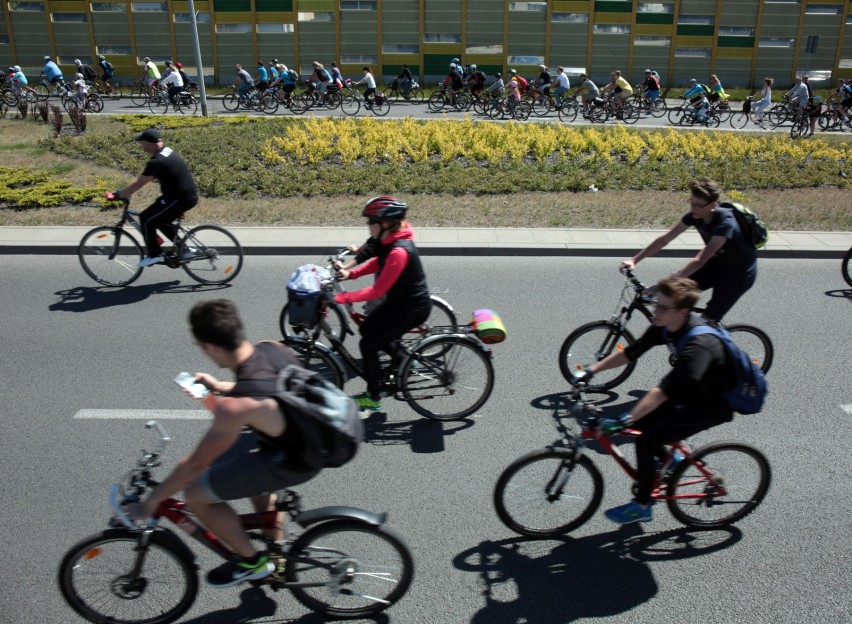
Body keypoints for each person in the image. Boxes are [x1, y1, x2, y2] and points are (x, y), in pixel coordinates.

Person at [128, 299, 320, 588]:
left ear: (212, 347)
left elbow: (194, 464)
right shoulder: (272, 348)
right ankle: (276, 553)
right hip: (304, 440)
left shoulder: (237, 406)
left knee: (196, 495)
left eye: (201, 347)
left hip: (296, 458)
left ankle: (253, 564)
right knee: (256, 486)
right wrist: (219, 386)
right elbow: (269, 386)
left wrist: (152, 501)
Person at [571, 275, 737, 525]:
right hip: (688, 392)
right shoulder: (664, 325)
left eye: (662, 307)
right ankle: (674, 460)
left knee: (646, 440)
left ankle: (643, 505)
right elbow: (630, 353)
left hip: (711, 405)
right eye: (655, 304)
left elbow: (664, 391)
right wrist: (592, 371)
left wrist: (625, 418)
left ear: (683, 311)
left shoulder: (699, 345)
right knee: (641, 427)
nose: (654, 311)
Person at [334, 197, 432, 412]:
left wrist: (343, 298)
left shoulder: (398, 251)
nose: (368, 225)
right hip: (400, 303)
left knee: (368, 345)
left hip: (411, 309)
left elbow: (377, 291)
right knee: (368, 328)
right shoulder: (390, 242)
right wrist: (351, 274)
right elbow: (377, 263)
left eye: (371, 221)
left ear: (385, 223)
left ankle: (374, 395)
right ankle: (404, 360)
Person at [620, 178, 757, 323]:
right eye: (691, 203)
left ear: (713, 205)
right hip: (718, 264)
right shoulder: (695, 216)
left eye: (698, 205)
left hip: (738, 274)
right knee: (673, 293)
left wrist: (660, 286)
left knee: (705, 322)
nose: (693, 208)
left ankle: (708, 338)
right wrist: (635, 259)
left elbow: (699, 261)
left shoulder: (726, 223)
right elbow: (665, 239)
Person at [113, 128, 199, 268]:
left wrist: (118, 195)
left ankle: (154, 255)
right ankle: (184, 249)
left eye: (142, 142)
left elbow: (137, 185)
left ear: (149, 143)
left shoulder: (156, 162)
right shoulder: (167, 151)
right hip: (185, 196)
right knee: (160, 220)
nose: (141, 145)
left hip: (179, 198)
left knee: (146, 219)